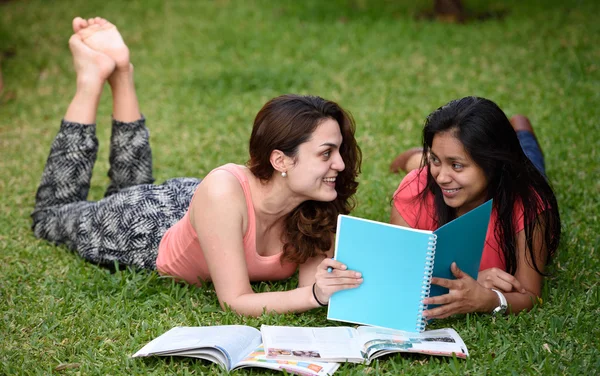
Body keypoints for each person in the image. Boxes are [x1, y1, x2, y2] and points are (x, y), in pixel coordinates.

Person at [31, 17, 364, 317]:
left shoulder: (315, 205)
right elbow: (235, 301)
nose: (340, 163)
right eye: (326, 153)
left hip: (205, 205)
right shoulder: (223, 193)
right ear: (280, 160)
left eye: (339, 151)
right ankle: (91, 78)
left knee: (129, 184)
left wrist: (322, 288)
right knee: (51, 216)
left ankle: (121, 71)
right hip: (153, 226)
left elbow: (309, 286)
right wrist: (316, 296)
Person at [389, 97, 561, 318]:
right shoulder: (418, 187)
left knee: (531, 158)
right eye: (435, 159)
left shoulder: (528, 204)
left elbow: (530, 295)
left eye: (457, 165)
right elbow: (395, 269)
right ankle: (415, 157)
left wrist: (488, 299)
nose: (441, 177)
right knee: (422, 169)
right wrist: (473, 280)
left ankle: (521, 128)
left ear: (492, 164)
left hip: (514, 178)